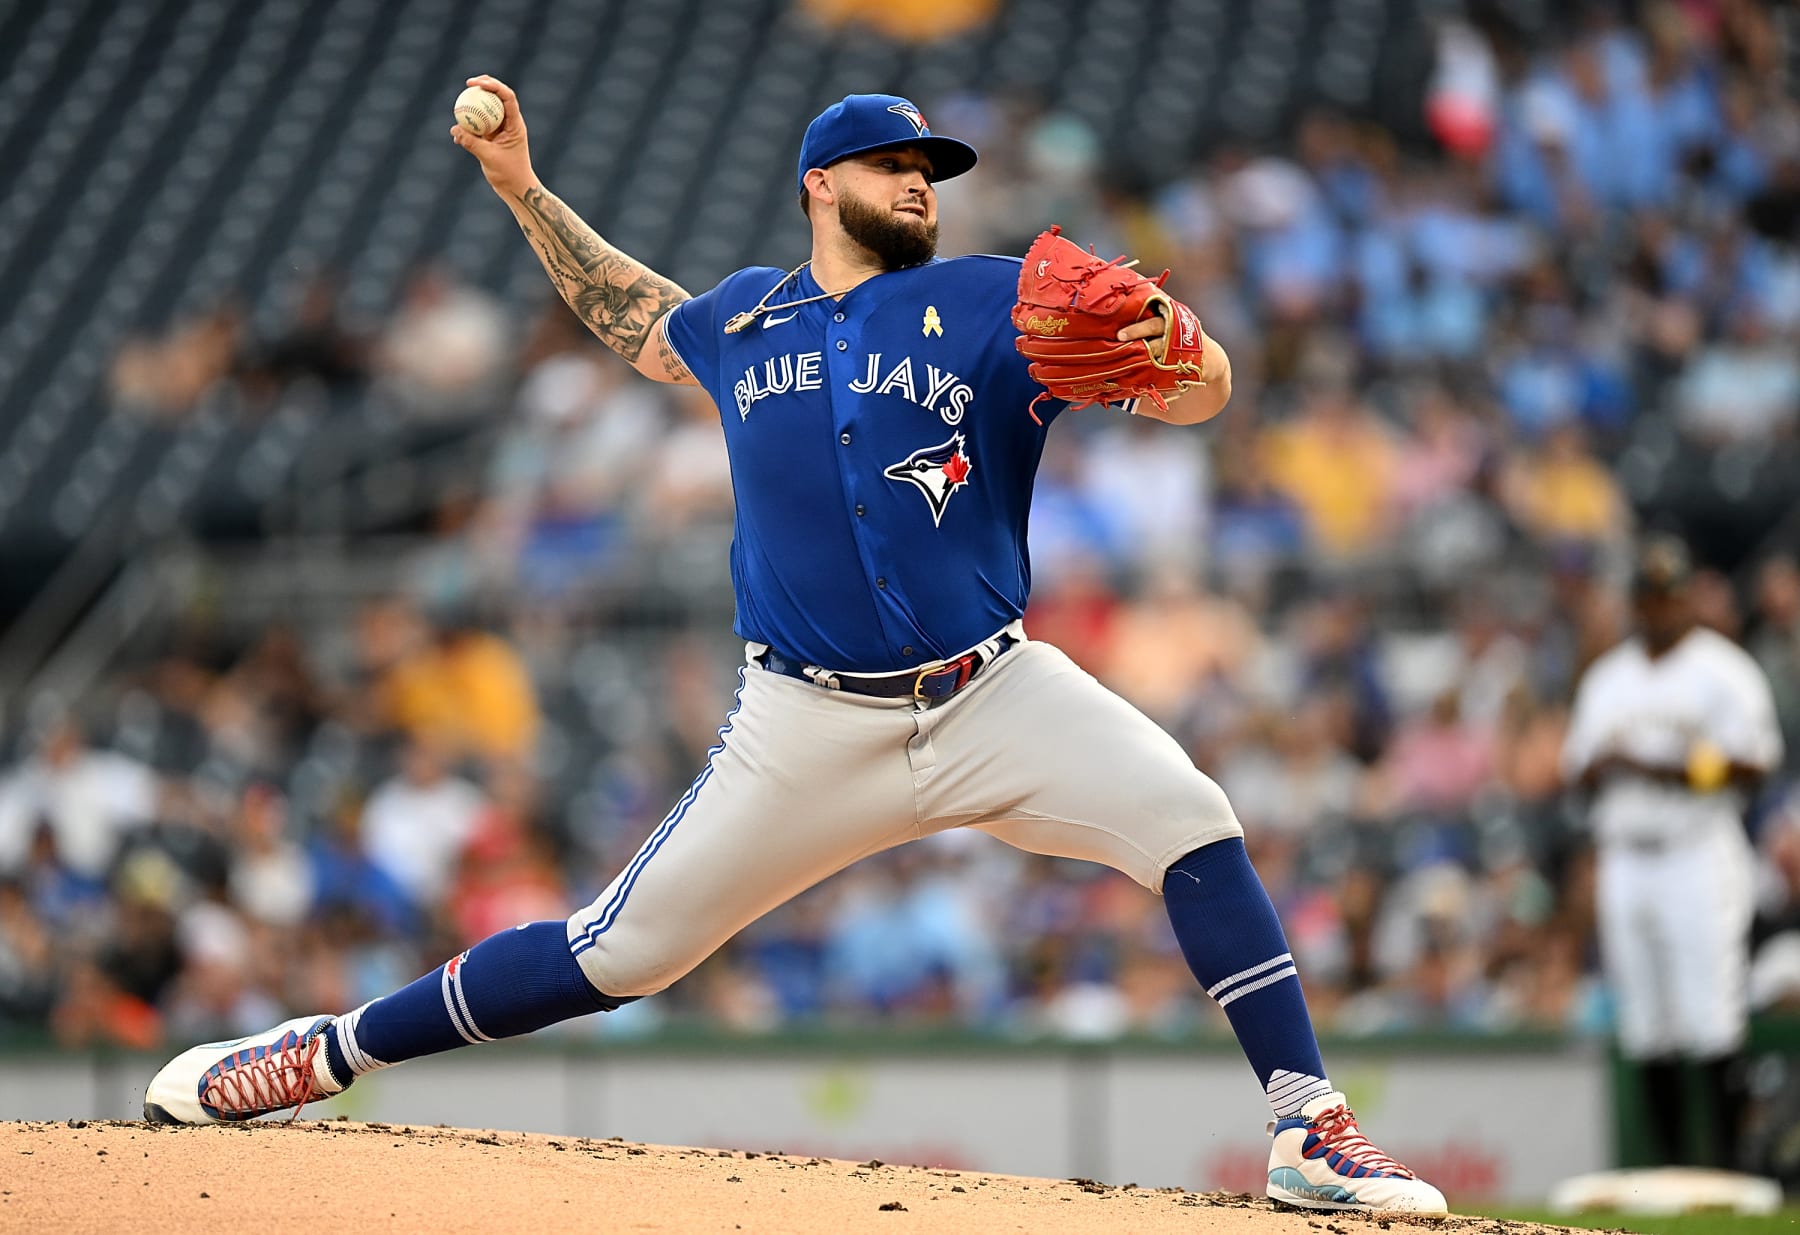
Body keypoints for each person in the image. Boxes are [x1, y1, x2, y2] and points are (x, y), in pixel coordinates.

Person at [142, 83, 1445, 1215]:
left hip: (993, 688)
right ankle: (324, 1052)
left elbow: (1200, 385)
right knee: (615, 954)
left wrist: (1193, 351)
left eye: (933, 172)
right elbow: (635, 316)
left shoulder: (996, 304)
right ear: (823, 184)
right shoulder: (746, 320)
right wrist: (524, 189)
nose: (922, 188)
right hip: (806, 721)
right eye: (896, 167)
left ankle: (1308, 1125)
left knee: (1192, 813)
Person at [1561, 535, 1784, 1169]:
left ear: (1687, 599)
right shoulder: (1609, 676)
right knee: (1646, 1023)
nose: (1659, 610)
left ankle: (1730, 1173)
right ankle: (1672, 1174)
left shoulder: (1724, 670)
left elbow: (1758, 764)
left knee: (1711, 1016)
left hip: (1697, 851)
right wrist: (1607, 764)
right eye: (1649, 598)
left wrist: (1672, 767)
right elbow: (1574, 766)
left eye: (1669, 597)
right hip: (1627, 855)